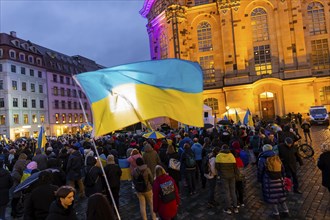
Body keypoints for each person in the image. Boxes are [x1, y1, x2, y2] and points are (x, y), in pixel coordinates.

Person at [258, 144, 289, 219]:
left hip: (268, 179)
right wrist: (282, 176)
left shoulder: (262, 158)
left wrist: (260, 179)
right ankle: (286, 211)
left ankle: (276, 213)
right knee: (281, 195)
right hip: (279, 178)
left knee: (273, 196)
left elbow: (260, 170)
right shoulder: (276, 157)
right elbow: (282, 168)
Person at [215, 144, 238, 214]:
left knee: (226, 192)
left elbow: (217, 167)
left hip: (224, 176)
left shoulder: (218, 156)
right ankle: (235, 207)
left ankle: (228, 208)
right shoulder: (231, 155)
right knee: (233, 191)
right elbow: (235, 167)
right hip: (232, 176)